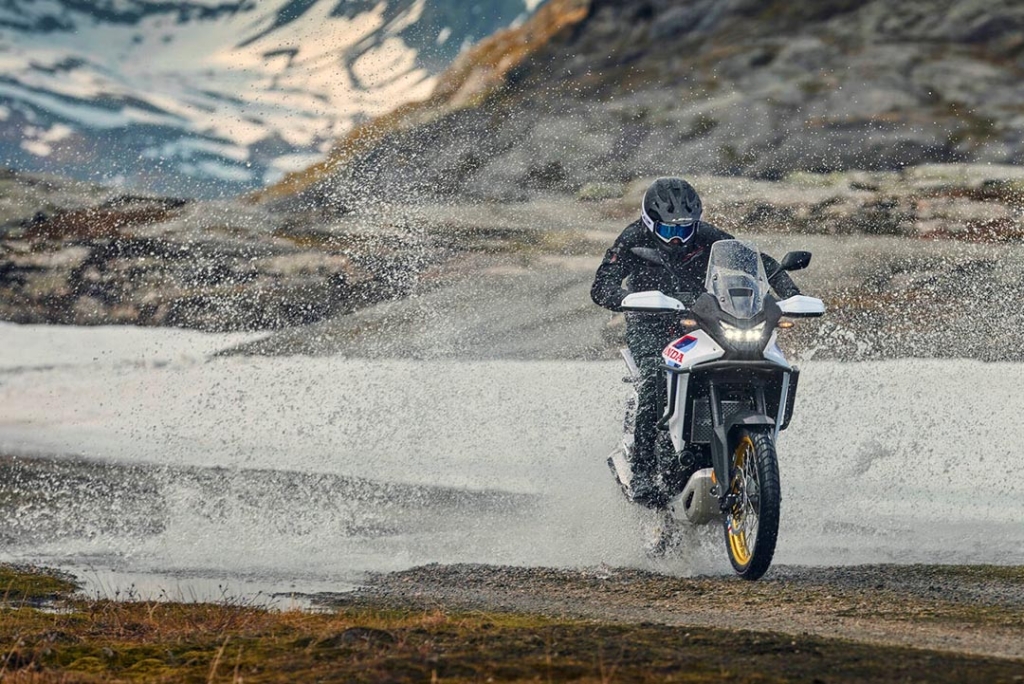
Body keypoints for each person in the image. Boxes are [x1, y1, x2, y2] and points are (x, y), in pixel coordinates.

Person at [590, 177, 800, 507]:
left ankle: (740, 446)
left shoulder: (707, 236)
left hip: (702, 319)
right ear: (650, 222)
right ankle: (643, 470)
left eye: (685, 229)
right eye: (669, 230)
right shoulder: (632, 240)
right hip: (651, 323)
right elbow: (601, 286)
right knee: (655, 375)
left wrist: (791, 295)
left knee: (745, 359)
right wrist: (629, 298)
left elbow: (757, 263)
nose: (678, 238)